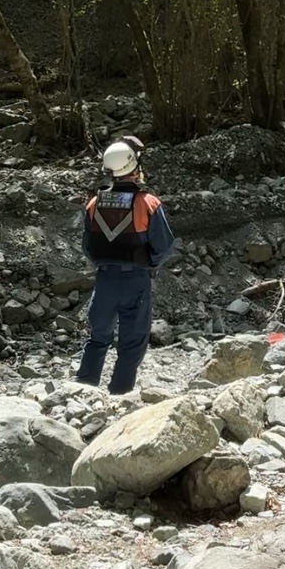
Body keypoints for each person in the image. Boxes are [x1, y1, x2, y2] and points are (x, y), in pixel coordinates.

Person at [76, 138, 175, 395]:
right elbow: (163, 246)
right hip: (135, 280)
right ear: (133, 165)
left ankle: (82, 393)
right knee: (132, 341)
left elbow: (88, 247)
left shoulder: (93, 204)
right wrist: (147, 265)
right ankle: (119, 394)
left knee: (98, 337)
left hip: (105, 279)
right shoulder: (148, 203)